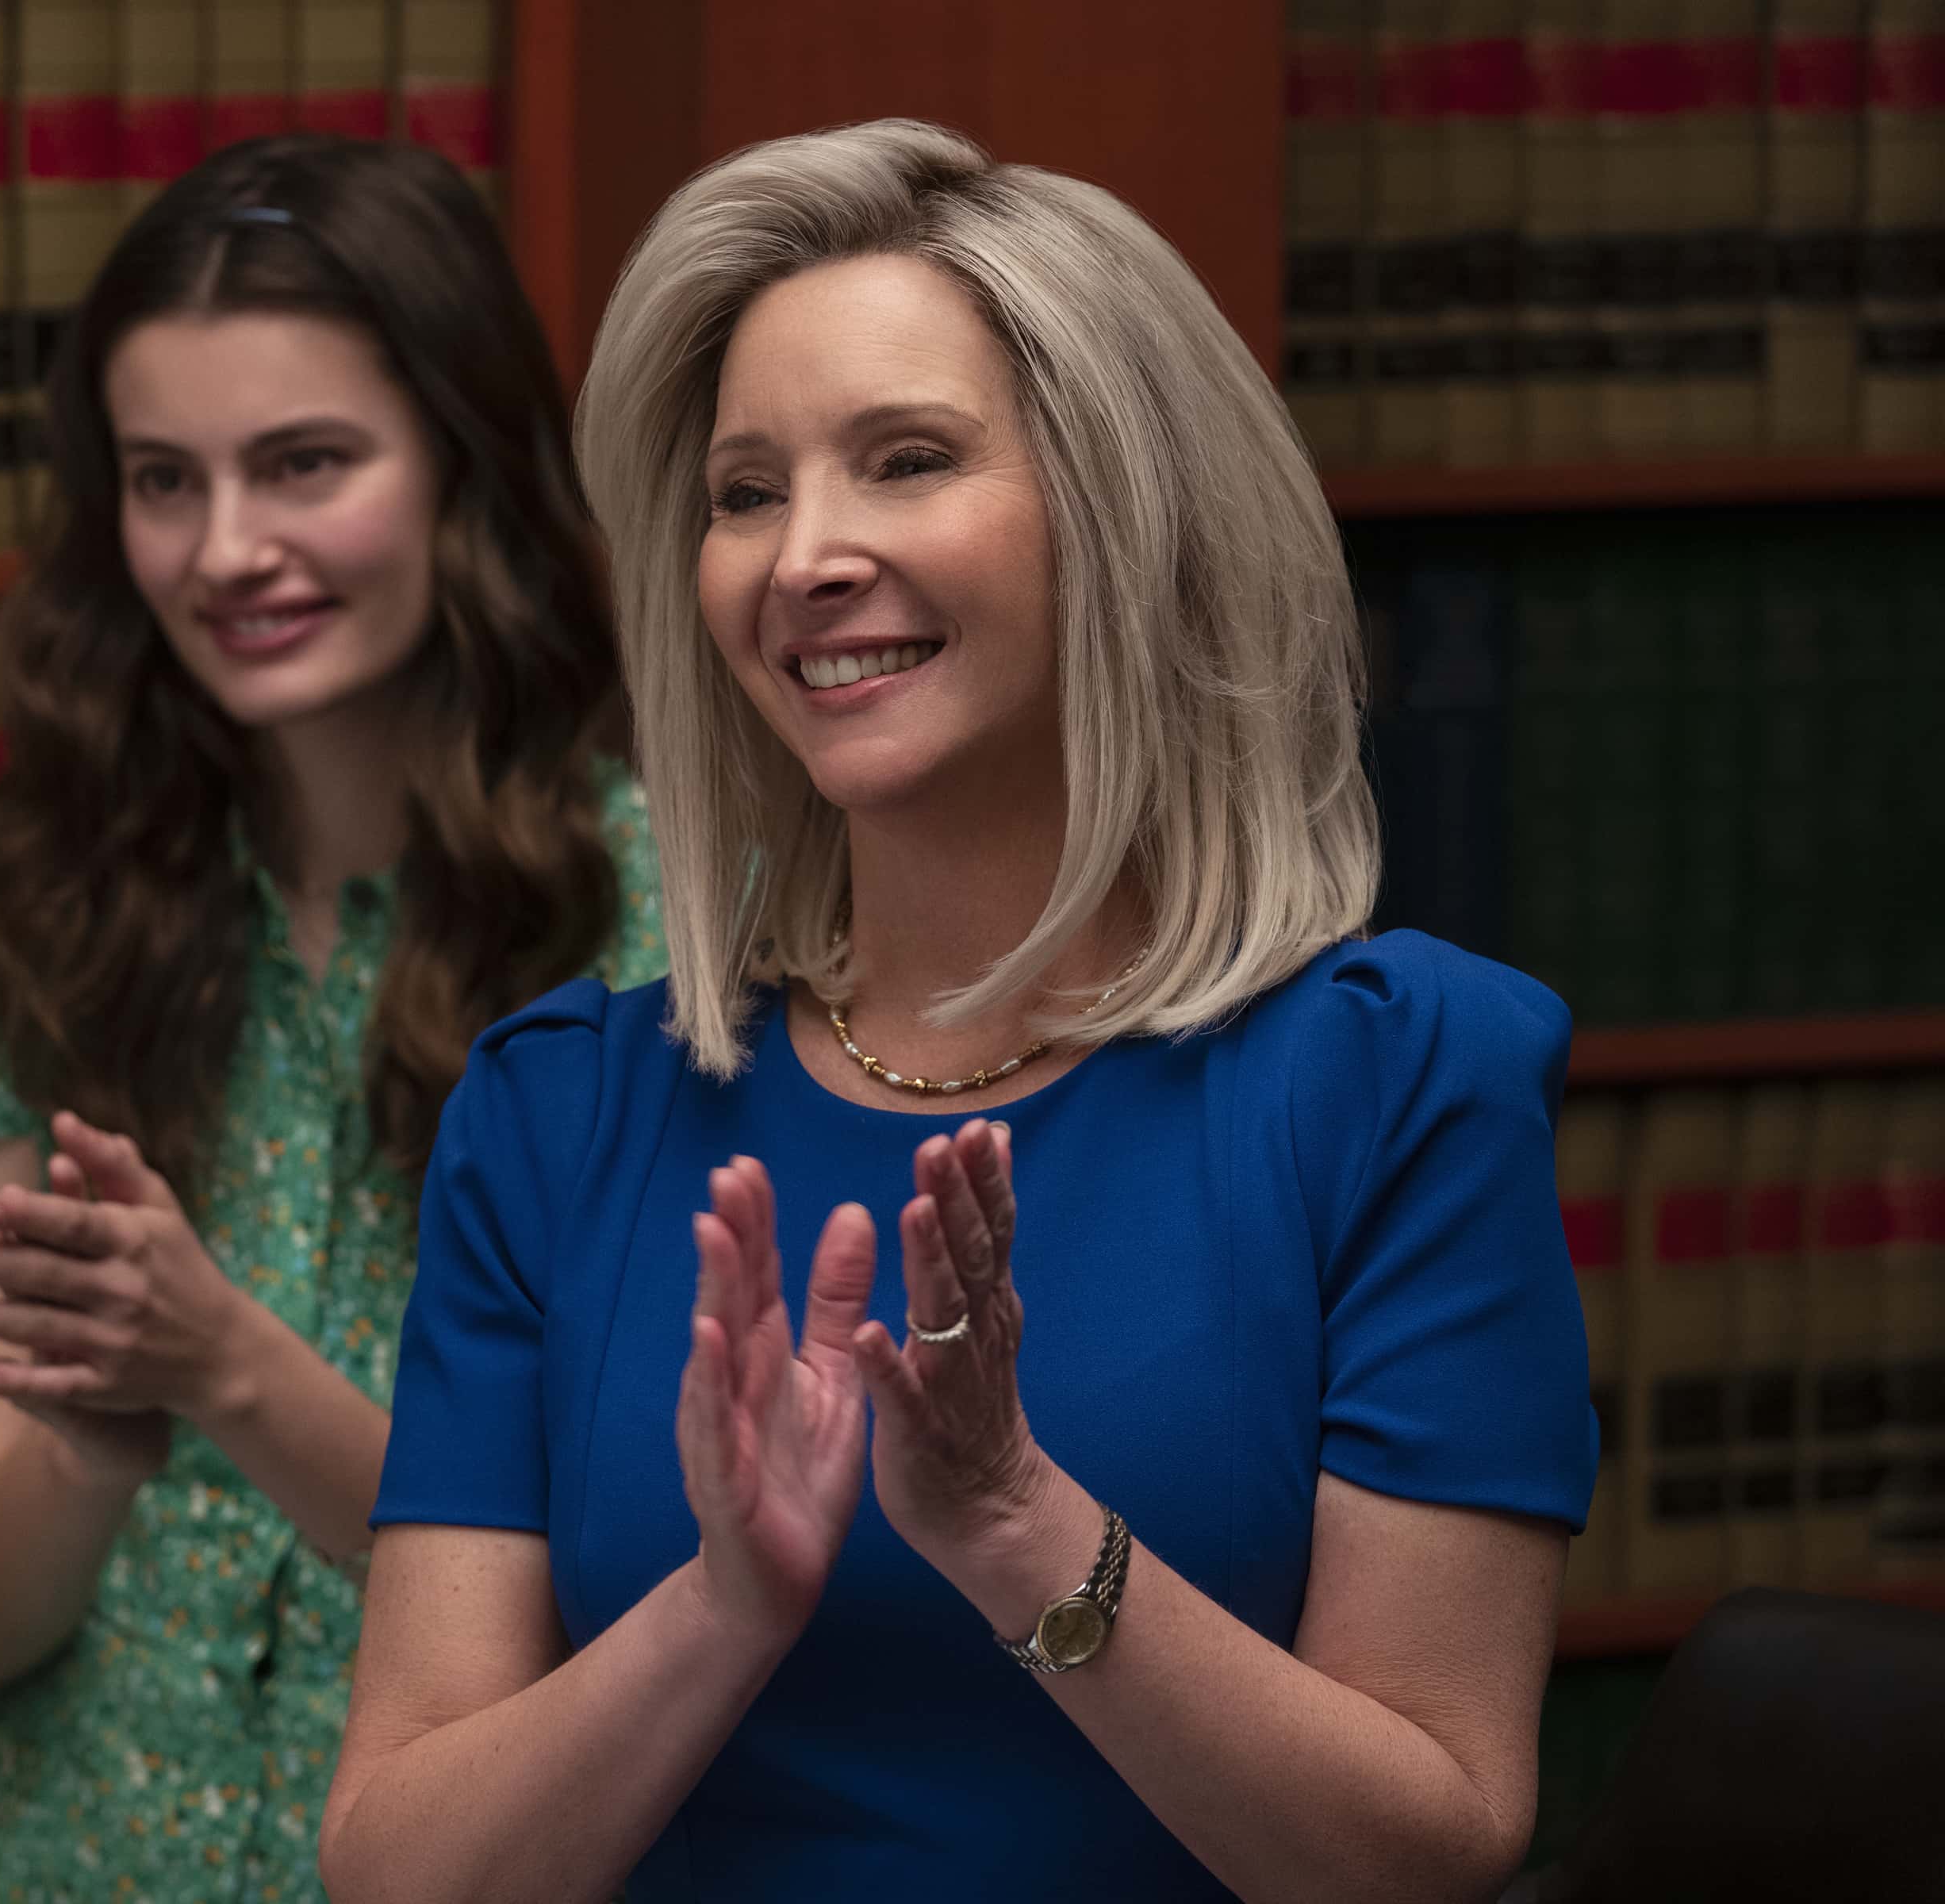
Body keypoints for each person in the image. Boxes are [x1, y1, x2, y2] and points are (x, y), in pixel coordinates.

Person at [321, 120, 1596, 1904]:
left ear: (1127, 514)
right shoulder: (561, 1113)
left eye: (906, 461)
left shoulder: (1392, 1083)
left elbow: (1428, 1850)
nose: (802, 558)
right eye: (745, 493)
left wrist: (1012, 1524)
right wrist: (725, 1605)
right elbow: (400, 1871)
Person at [0, 132, 665, 1904]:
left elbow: (629, 1611)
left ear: (462, 464)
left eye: (304, 464)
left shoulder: (677, 936)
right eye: (162, 482)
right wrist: (87, 1456)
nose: (227, 551)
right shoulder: (22, 903)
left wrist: (227, 1370)